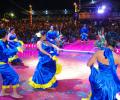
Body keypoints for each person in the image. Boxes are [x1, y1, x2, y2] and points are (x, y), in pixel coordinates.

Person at [82, 32, 120, 100]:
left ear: (105, 42)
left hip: (100, 83)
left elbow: (88, 64)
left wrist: (93, 68)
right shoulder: (118, 57)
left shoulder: (98, 53)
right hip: (111, 85)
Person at [0, 29, 23, 98]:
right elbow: (6, 52)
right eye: (7, 34)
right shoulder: (1, 43)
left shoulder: (3, 42)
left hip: (3, 63)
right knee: (15, 76)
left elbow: (7, 52)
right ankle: (14, 93)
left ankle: (2, 92)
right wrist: (17, 49)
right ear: (5, 35)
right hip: (2, 65)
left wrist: (16, 49)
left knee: (6, 78)